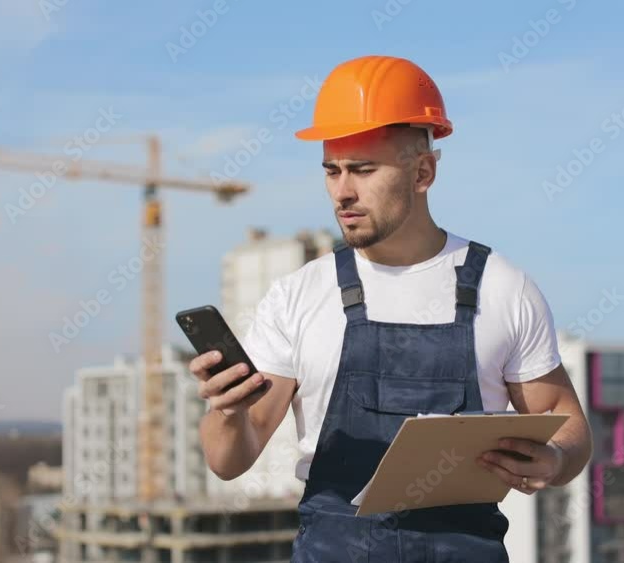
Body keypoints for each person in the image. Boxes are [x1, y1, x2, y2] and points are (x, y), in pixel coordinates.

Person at [189, 55, 592, 562]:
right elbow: (229, 462)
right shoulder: (297, 296)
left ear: (422, 172)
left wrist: (553, 460)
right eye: (331, 171)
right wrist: (227, 414)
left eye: (362, 170)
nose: (342, 192)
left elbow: (568, 424)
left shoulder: (503, 288)